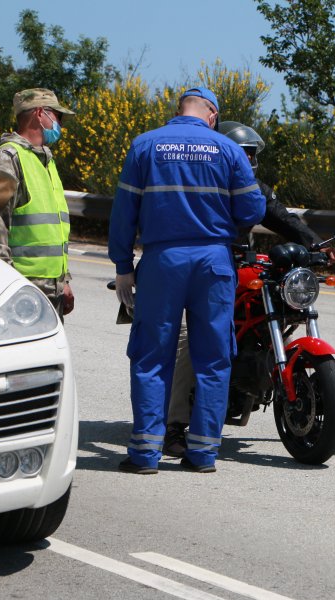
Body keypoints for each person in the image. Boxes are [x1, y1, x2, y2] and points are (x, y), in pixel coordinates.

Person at [109, 87, 266, 474]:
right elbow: (253, 207)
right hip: (213, 261)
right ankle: (202, 454)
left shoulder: (145, 146)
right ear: (211, 115)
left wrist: (122, 265)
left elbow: (123, 210)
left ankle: (145, 454)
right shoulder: (226, 148)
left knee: (151, 356)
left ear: (180, 110)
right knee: (213, 358)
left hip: (163, 260)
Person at [162, 120, 331, 457]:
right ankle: (175, 426)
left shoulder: (253, 188)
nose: (248, 161)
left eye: (251, 155)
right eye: (242, 154)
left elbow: (282, 218)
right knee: (187, 339)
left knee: (279, 310)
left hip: (236, 265)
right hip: (199, 268)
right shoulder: (203, 184)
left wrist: (316, 246)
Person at [0, 88, 75, 319]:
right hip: (23, 291)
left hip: (50, 291)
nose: (60, 124)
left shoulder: (44, 161)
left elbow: (52, 233)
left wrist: (63, 281)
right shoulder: (8, 159)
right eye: (57, 117)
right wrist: (7, 288)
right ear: (40, 113)